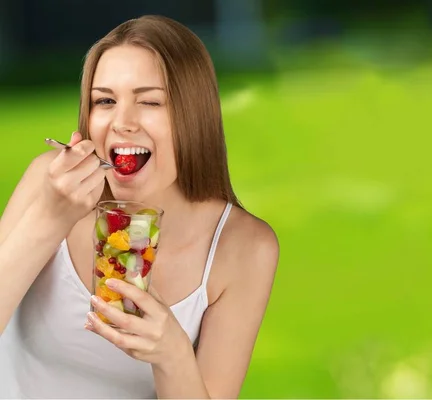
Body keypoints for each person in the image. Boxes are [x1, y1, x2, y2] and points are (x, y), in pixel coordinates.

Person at [0, 15, 279, 398]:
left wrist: (172, 354)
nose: (122, 122)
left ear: (194, 115)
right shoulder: (47, 182)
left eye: (149, 101)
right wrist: (49, 218)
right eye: (106, 101)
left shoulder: (243, 248)